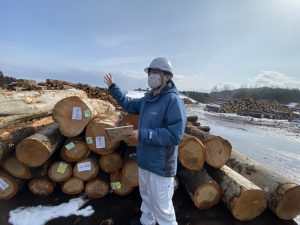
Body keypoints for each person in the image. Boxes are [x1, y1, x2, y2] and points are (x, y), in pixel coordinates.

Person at [104, 57, 186, 225]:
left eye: (155, 72)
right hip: (145, 161)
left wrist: (143, 135)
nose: (151, 76)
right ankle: (146, 222)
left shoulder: (173, 100)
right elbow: (128, 104)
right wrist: (113, 88)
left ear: (167, 77)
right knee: (147, 200)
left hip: (161, 165)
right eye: (150, 72)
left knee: (163, 208)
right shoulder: (148, 98)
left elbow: (174, 135)